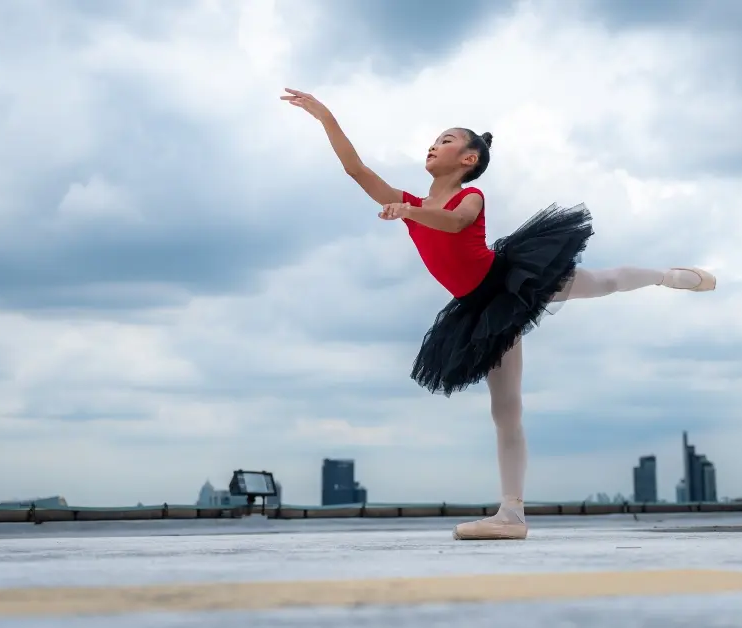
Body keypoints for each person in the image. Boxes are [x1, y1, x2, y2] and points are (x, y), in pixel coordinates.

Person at [281, 88, 716, 541]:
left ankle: (667, 276)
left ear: (468, 159)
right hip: (479, 311)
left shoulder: (470, 196)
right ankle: (512, 515)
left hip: (509, 282)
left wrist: (408, 210)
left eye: (446, 140)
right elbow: (356, 169)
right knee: (505, 410)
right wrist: (325, 116)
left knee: (600, 282)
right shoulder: (411, 204)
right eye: (434, 139)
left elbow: (455, 223)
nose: (433, 145)